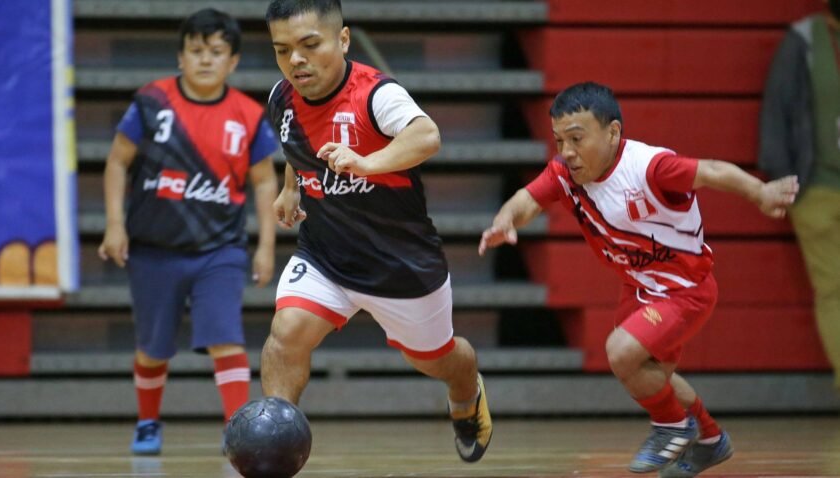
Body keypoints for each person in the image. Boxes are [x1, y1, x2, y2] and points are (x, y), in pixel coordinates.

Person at [479, 82, 798, 476]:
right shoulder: (565, 172)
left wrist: (761, 192)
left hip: (685, 291)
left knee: (621, 352)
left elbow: (713, 171)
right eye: (560, 140)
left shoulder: (650, 168)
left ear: (613, 133)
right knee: (652, 375)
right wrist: (505, 219)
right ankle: (711, 440)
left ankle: (671, 428)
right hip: (640, 287)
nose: (567, 152)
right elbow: (529, 198)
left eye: (577, 139)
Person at [260, 0, 492, 463]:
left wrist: (368, 162)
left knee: (436, 360)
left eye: (309, 45)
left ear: (342, 40)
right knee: (286, 335)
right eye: (282, 50)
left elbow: (427, 136)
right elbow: (296, 142)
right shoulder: (281, 96)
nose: (295, 60)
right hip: (325, 255)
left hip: (401, 265)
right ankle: (275, 449)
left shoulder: (377, 95)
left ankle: (467, 391)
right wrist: (290, 189)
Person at [98, 8, 278, 455]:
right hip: (153, 249)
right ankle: (146, 423)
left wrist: (266, 247)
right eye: (196, 50)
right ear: (180, 56)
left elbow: (265, 181)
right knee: (153, 349)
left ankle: (237, 431)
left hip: (220, 249)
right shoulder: (151, 102)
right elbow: (117, 162)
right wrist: (115, 225)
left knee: (225, 337)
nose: (205, 60)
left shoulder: (249, 115)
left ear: (232, 62)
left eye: (216, 52)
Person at [759, 0, 840, 392]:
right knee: (834, 288)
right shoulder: (803, 40)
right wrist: (783, 182)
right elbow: (775, 113)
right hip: (817, 187)